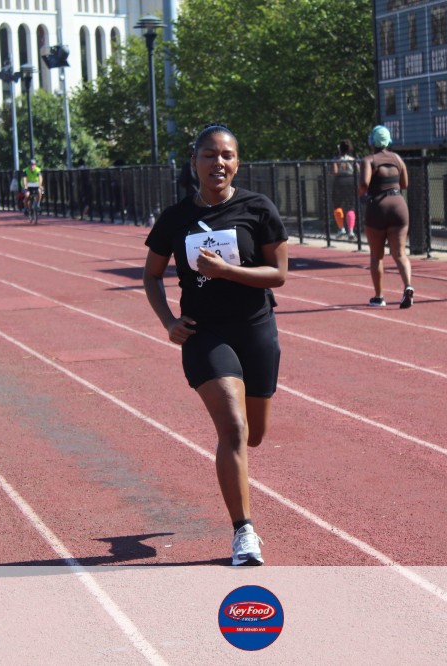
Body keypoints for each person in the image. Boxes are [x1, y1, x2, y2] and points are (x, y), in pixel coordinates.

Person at [142, 125, 288, 566]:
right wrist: (169, 321)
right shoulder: (175, 218)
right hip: (204, 334)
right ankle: (244, 531)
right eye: (208, 155)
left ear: (237, 163)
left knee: (255, 435)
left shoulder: (257, 208)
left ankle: (242, 510)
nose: (217, 163)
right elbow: (151, 275)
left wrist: (226, 271)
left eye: (226, 155)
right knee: (234, 429)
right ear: (194, 163)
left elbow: (278, 274)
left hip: (256, 328)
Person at [359, 125, 414, 309]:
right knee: (400, 253)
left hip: (378, 207)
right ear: (389, 141)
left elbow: (364, 184)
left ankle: (379, 297)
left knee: (377, 256)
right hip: (399, 206)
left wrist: (361, 193)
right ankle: (408, 285)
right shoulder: (397, 159)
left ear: (371, 142)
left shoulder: (369, 160)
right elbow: (405, 184)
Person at [330, 139, 357, 239]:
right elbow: (358, 169)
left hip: (339, 181)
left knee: (337, 205)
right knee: (350, 206)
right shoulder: (352, 159)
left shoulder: (336, 159)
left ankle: (341, 228)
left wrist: (331, 172)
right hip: (351, 181)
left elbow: (335, 171)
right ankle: (351, 231)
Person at [21, 158, 43, 222]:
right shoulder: (25, 170)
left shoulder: (38, 170)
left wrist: (40, 185)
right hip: (27, 185)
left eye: (33, 165)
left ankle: (38, 204)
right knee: (27, 195)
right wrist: (25, 185)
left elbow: (40, 178)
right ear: (28, 165)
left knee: (40, 191)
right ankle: (26, 208)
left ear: (35, 165)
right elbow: (24, 179)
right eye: (30, 165)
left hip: (35, 185)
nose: (32, 166)